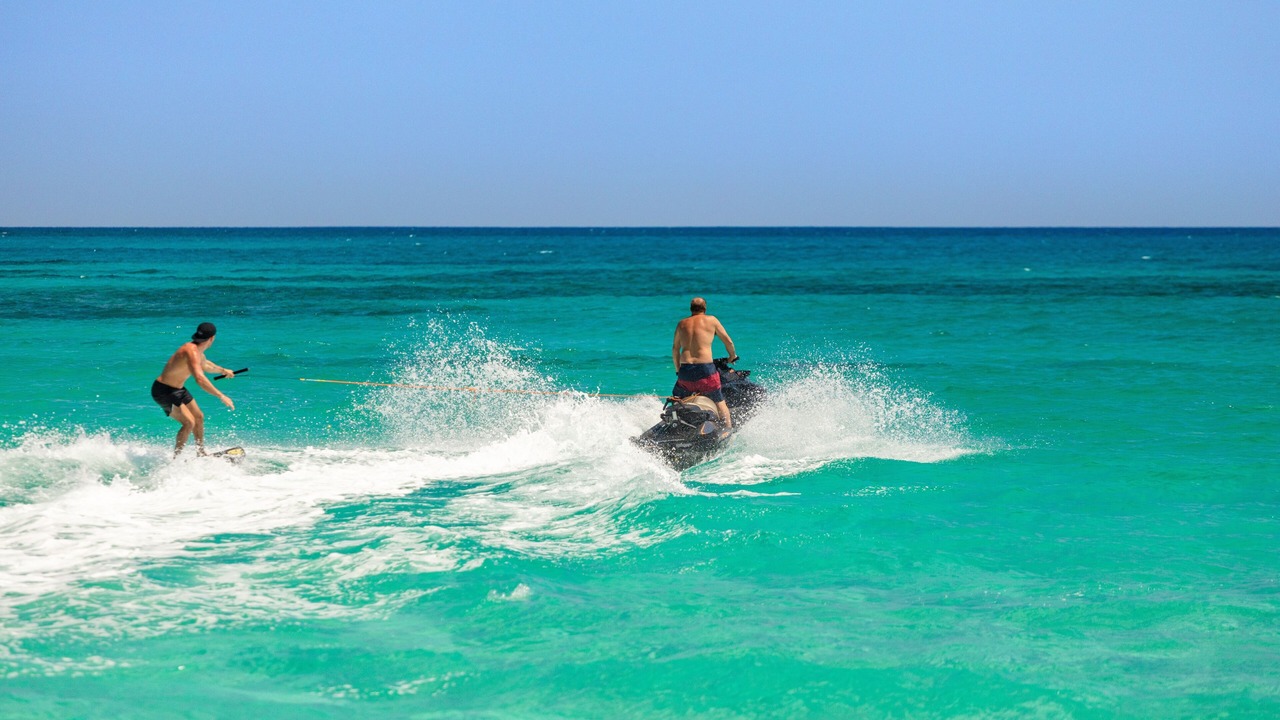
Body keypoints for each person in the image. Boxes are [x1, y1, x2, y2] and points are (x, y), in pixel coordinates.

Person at [151, 322, 235, 456]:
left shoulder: (197, 351)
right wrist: (221, 395)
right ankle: (176, 460)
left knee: (199, 417)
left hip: (178, 389)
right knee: (189, 422)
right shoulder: (190, 351)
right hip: (163, 391)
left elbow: (205, 365)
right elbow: (200, 379)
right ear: (212, 338)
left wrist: (223, 370)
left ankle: (200, 452)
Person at [671, 297, 738, 431]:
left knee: (677, 399)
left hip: (685, 370)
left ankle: (672, 424)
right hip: (705, 370)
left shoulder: (681, 323)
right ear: (705, 308)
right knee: (719, 401)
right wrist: (732, 356)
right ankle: (727, 429)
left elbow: (675, 349)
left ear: (691, 308)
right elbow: (728, 341)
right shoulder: (711, 320)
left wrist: (678, 370)